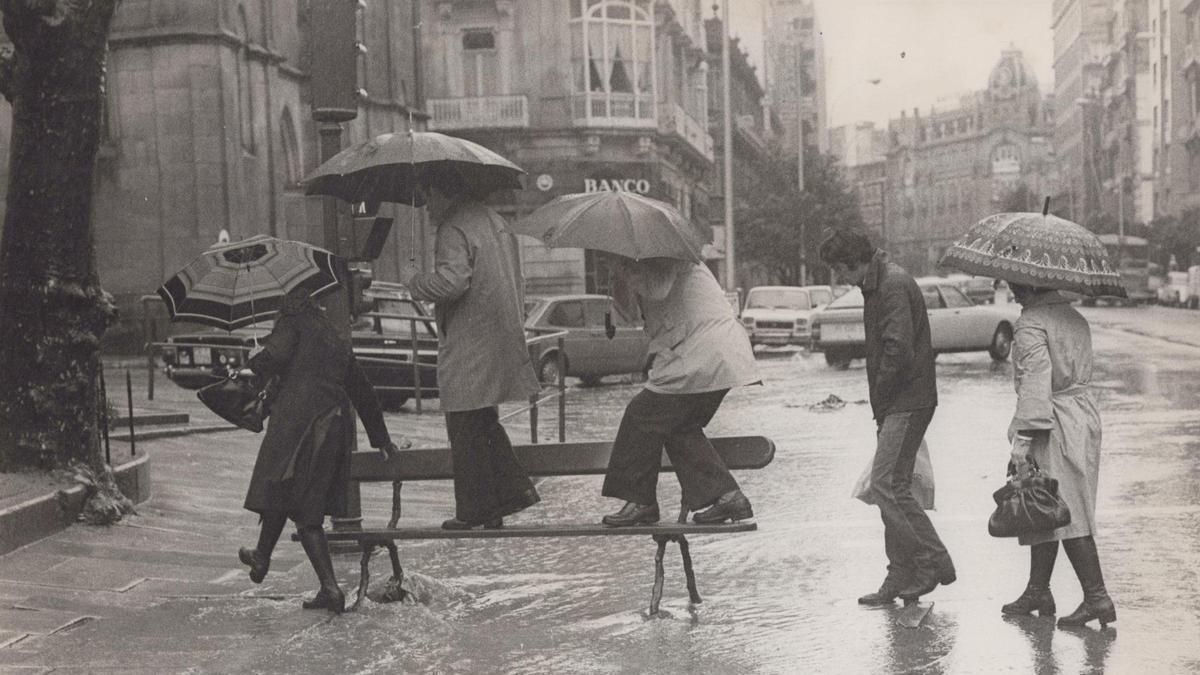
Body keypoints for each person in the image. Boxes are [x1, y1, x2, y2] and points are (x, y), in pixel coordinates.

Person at [238, 287, 401, 614]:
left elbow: (275, 357)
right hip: (333, 427)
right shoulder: (333, 333)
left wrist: (256, 353)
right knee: (283, 489)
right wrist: (380, 438)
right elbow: (361, 388)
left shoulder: (290, 321)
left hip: (300, 428)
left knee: (300, 506)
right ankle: (262, 557)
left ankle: (330, 588)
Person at [818, 229, 955, 604]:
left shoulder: (891, 284)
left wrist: (881, 391)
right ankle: (898, 574)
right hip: (900, 401)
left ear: (852, 262)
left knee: (887, 485)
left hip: (906, 401)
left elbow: (897, 348)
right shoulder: (878, 282)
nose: (839, 278)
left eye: (838, 269)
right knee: (895, 486)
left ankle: (932, 559)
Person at [400, 184, 542, 530]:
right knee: (482, 421)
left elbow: (453, 283)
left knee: (463, 422)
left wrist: (415, 282)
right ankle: (508, 496)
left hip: (470, 338)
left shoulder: (454, 226)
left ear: (447, 190)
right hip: (500, 332)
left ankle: (474, 510)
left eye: (429, 195)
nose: (426, 205)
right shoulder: (494, 221)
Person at [600, 256, 759, 526]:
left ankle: (642, 501)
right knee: (677, 427)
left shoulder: (670, 257)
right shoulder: (646, 266)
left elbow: (658, 290)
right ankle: (728, 497)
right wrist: (617, 279)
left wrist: (625, 269)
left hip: (704, 354)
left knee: (641, 415)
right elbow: (629, 313)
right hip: (708, 356)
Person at [1001, 283, 1116, 629]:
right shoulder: (1074, 317)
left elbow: (1036, 386)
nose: (1013, 292)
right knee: (1046, 504)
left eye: (1016, 286)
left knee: (1067, 510)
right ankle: (1038, 590)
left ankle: (1097, 597)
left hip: (1053, 421)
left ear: (1031, 285)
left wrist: (1021, 442)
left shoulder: (1031, 324)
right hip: (1081, 414)